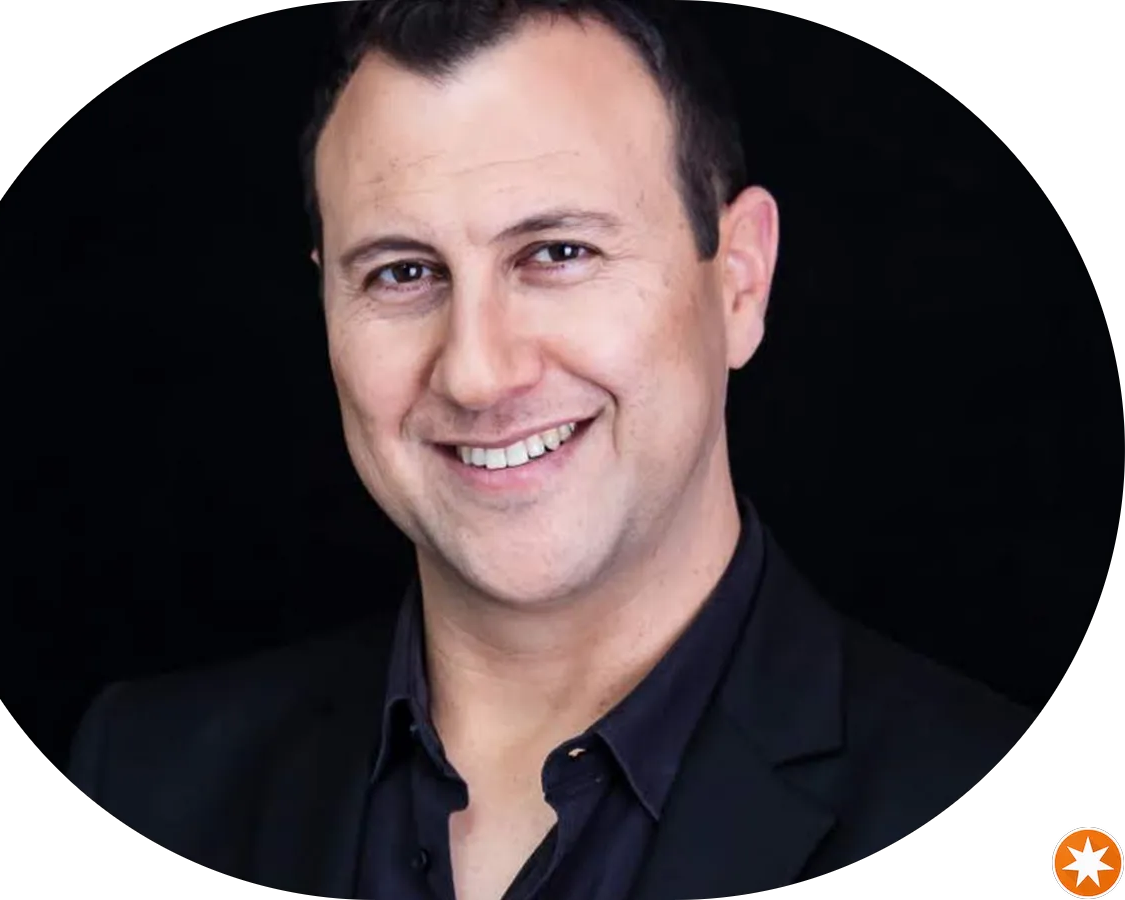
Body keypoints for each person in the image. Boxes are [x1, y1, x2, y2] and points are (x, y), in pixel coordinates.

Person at [65, 2, 1035, 897]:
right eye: (402, 273)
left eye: (558, 253)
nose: (478, 373)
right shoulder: (143, 778)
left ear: (739, 281)